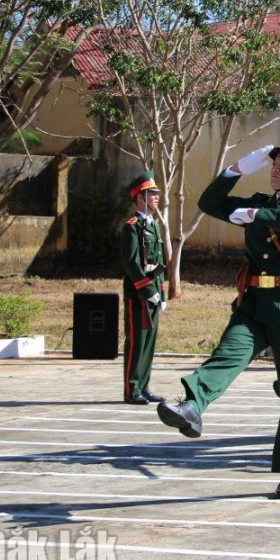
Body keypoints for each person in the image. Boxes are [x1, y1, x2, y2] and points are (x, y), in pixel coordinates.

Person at [156, 128, 280, 500]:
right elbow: (208, 202)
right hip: (254, 304)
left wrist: (257, 213)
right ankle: (191, 406)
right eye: (275, 161)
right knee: (227, 355)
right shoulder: (257, 199)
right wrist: (237, 168)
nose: (277, 167)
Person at [121, 171, 166, 405]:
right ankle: (132, 390)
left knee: (149, 342)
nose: (157, 197)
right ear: (141, 197)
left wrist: (162, 292)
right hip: (138, 294)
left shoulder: (152, 225)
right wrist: (148, 290)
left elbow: (158, 262)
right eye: (152, 194)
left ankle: (144, 386)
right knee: (137, 341)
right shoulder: (132, 227)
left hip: (154, 293)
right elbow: (131, 263)